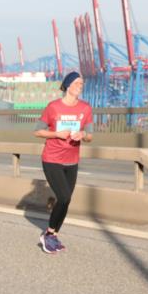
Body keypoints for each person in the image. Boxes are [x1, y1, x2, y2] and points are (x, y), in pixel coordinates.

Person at [34, 71, 93, 254]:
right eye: (76, 83)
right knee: (65, 197)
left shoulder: (85, 108)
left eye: (81, 84)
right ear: (67, 85)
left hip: (72, 161)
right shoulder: (53, 107)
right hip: (52, 159)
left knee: (66, 201)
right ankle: (47, 234)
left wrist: (83, 135)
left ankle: (53, 235)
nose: (79, 87)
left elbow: (90, 135)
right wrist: (57, 134)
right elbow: (38, 131)